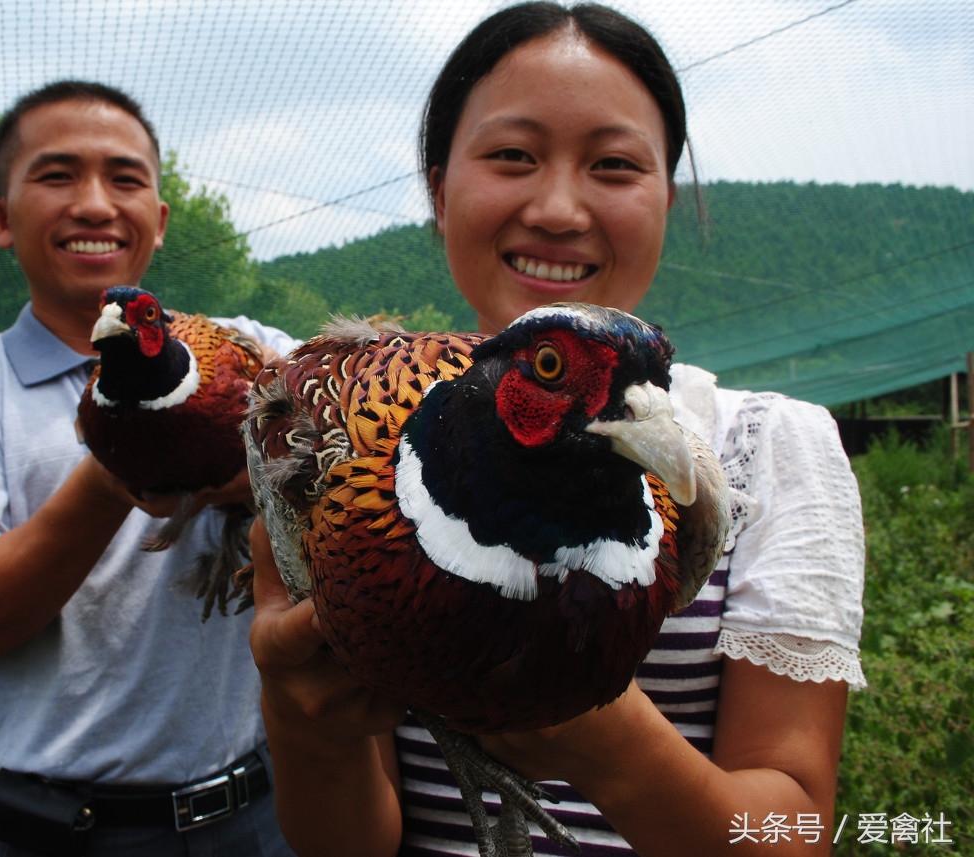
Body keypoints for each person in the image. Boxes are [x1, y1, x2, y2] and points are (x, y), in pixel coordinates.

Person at [248, 4, 866, 856]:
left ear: (666, 197)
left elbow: (795, 829)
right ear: (438, 186)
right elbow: (345, 843)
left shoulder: (763, 449)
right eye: (513, 156)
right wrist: (303, 711)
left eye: (613, 165)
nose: (559, 207)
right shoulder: (350, 442)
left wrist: (589, 731)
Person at [0, 80, 296, 857]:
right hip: (60, 830)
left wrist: (245, 466)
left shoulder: (245, 348)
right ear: (2, 219)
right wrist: (117, 468)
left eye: (126, 178)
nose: (97, 204)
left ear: (160, 221)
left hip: (256, 815)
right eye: (58, 174)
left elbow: (343, 454)